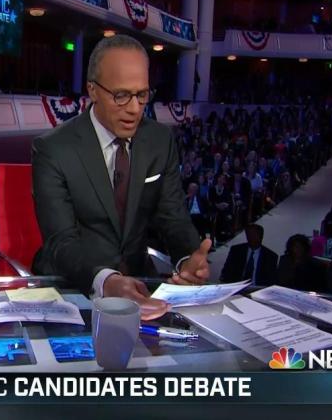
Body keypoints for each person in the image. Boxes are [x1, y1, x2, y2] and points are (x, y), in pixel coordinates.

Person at [31, 35, 210, 320]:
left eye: (142, 95)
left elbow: (173, 216)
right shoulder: (53, 149)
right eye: (121, 95)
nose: (135, 108)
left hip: (141, 285)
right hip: (74, 289)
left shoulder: (159, 140)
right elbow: (61, 242)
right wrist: (106, 281)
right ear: (92, 90)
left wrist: (188, 259)